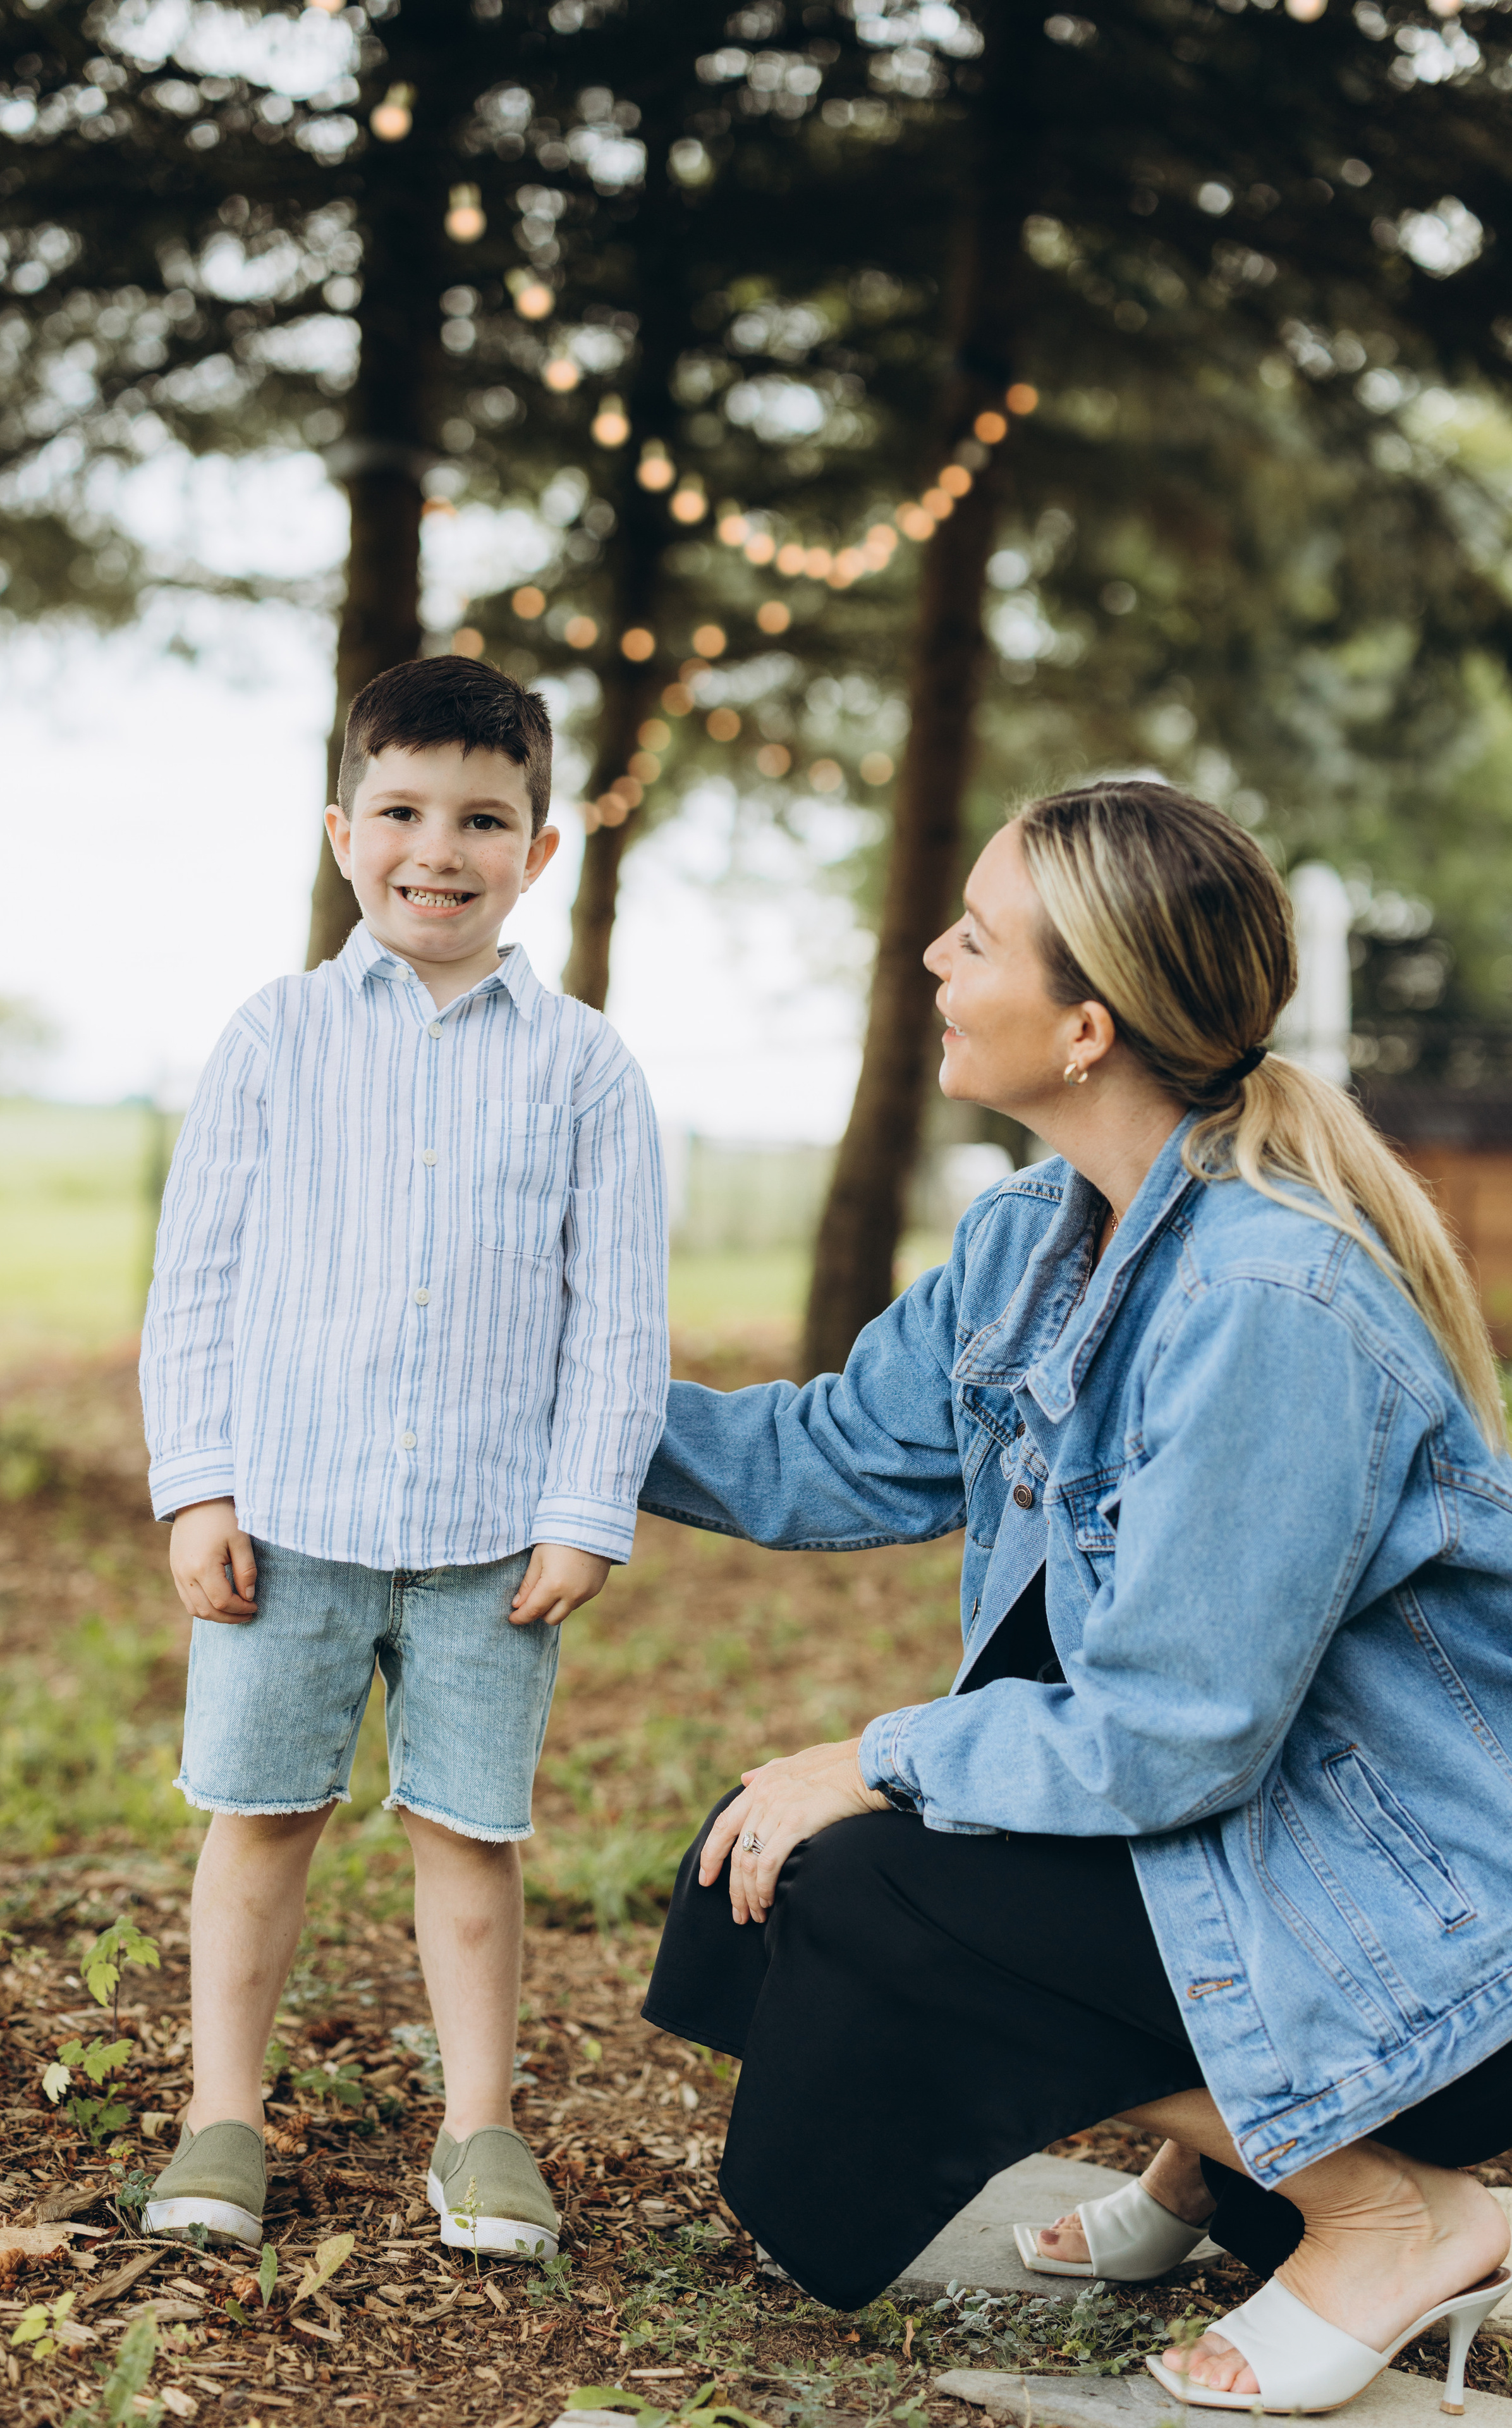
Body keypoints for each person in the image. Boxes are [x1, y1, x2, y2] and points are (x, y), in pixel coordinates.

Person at [638, 781, 1512, 2413]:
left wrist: (882, 1757)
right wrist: (561, 1433)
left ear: (1089, 1025)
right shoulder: (1040, 1233)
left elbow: (1176, 1738)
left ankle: (1391, 2204)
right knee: (753, 1863)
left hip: (1433, 1940)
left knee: (851, 1880)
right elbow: (833, 1453)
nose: (929, 957)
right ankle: (1211, 2177)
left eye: (975, 940)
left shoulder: (1271, 1298)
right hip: (1276, 1853)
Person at [138, 656, 667, 2259]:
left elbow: (617, 1318)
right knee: (259, 1818)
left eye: (481, 819)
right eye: (401, 811)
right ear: (340, 828)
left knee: (470, 1837)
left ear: (539, 848)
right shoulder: (273, 1038)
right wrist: (199, 1483)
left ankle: (479, 2131)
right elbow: (201, 1281)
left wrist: (582, 1514)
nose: (437, 848)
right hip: (284, 1530)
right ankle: (221, 2115)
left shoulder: (586, 1070)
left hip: (486, 1553)